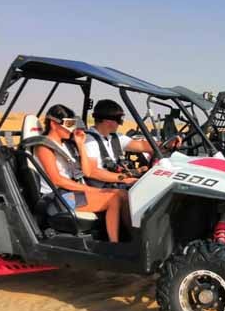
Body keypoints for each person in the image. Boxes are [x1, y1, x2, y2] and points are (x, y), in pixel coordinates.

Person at [34, 104, 127, 243]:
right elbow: (57, 180)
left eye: (73, 123)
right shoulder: (44, 146)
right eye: (68, 124)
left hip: (70, 193)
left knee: (123, 194)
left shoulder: (67, 145)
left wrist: (81, 144)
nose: (71, 128)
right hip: (57, 198)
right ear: (54, 123)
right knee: (112, 198)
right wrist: (90, 189)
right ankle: (114, 243)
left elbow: (86, 171)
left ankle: (129, 239)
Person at [83, 99, 182, 187]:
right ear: (109, 121)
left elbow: (141, 145)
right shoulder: (90, 141)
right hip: (103, 186)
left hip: (118, 179)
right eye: (119, 120)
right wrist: (125, 179)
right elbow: (93, 172)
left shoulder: (114, 137)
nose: (120, 124)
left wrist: (167, 144)